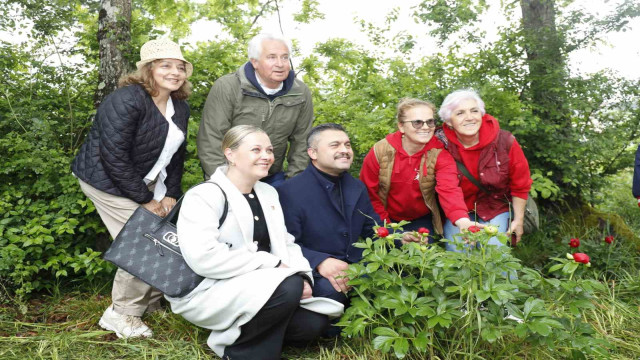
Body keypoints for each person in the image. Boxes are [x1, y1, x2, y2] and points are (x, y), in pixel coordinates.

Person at [168, 125, 343, 360]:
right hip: (210, 287)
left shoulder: (268, 193)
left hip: (263, 285)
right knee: (287, 285)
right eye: (256, 150)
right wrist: (272, 266)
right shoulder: (204, 196)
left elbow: (286, 243)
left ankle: (239, 332)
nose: (266, 156)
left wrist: (302, 275)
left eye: (269, 150)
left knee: (312, 325)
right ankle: (243, 353)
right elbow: (204, 258)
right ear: (230, 154)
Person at [71, 38, 192, 338]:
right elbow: (113, 155)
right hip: (105, 180)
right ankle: (121, 314)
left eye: (180, 67)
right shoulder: (127, 99)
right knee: (143, 242)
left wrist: (171, 194)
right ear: (149, 70)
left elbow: (176, 155)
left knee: (163, 238)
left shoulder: (180, 105)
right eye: (166, 65)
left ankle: (150, 303)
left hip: (148, 181)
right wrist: (145, 200)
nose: (175, 72)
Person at [277, 123, 382, 307]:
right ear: (313, 153)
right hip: (315, 268)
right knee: (330, 291)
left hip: (355, 263)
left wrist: (399, 237)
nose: (345, 150)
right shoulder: (290, 191)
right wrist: (320, 261)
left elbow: (372, 228)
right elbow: (284, 243)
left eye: (347, 145)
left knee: (396, 273)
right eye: (335, 145)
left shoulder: (357, 187)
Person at [197, 33, 313, 186]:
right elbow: (211, 139)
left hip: (272, 177)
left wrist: (294, 183)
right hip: (231, 176)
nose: (280, 64)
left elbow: (302, 142)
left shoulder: (300, 92)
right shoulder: (228, 87)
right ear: (255, 62)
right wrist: (224, 184)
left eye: (285, 57)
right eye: (271, 57)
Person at [360, 98, 476, 238]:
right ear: (401, 126)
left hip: (421, 219)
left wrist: (462, 220)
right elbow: (370, 194)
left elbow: (449, 189)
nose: (426, 127)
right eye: (417, 122)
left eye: (430, 121)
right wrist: (389, 228)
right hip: (385, 216)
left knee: (423, 256)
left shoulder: (439, 154)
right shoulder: (381, 151)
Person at [437, 89, 532, 250]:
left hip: (494, 206)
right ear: (449, 122)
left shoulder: (505, 140)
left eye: (474, 111)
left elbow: (520, 183)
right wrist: (462, 220)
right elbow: (447, 188)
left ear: (481, 115)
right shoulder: (441, 145)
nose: (469, 117)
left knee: (495, 248)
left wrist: (519, 220)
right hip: (458, 209)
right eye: (460, 113)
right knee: (458, 249)